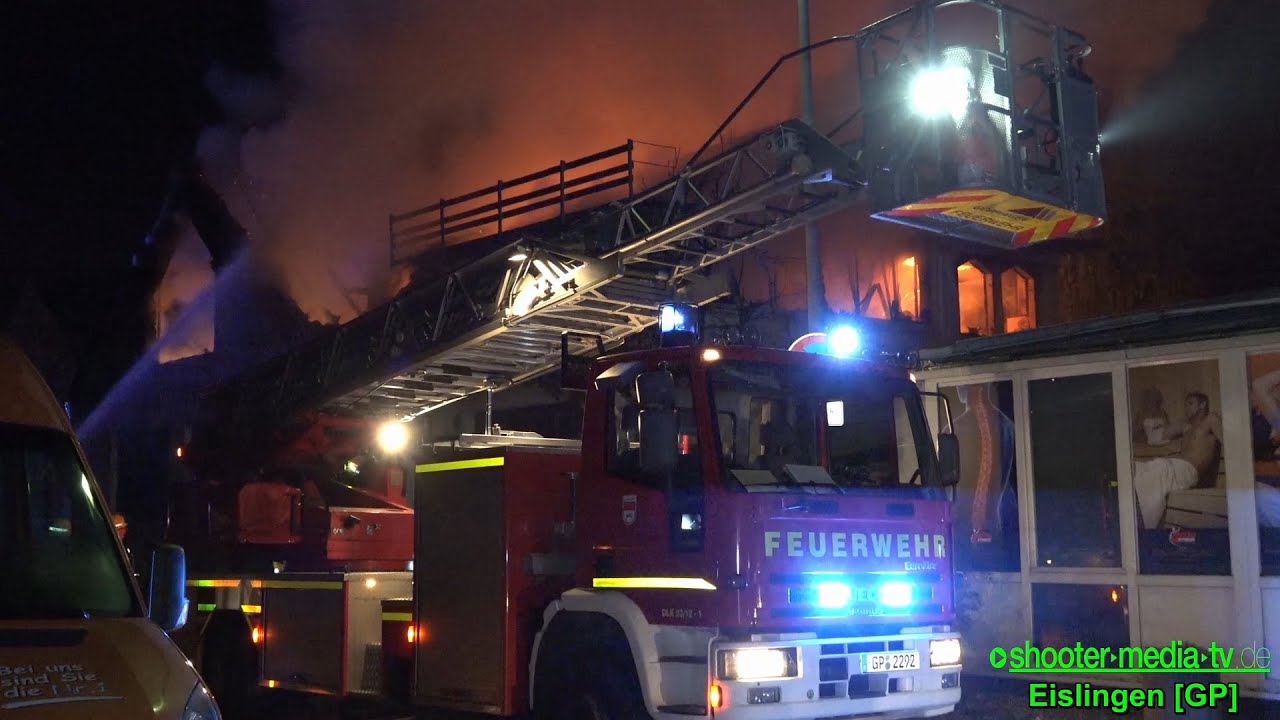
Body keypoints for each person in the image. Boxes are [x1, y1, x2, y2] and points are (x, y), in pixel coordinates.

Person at [1133, 392, 1221, 529]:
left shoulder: (1210, 420)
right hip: (1174, 466)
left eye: (1190, 403)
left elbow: (1228, 443)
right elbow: (1154, 437)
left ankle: (1144, 525)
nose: (1186, 408)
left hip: (1188, 471)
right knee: (1137, 468)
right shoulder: (1185, 427)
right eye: (1185, 404)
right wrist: (1152, 415)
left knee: (1158, 470)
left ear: (1202, 405)